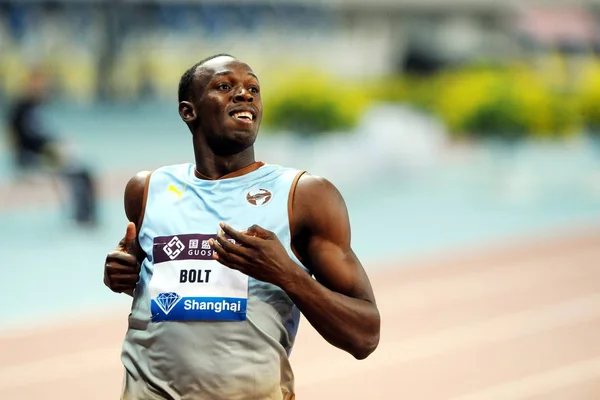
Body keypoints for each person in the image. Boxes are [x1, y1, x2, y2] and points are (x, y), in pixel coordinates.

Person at [103, 54, 381, 400]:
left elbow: (365, 336)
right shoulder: (148, 189)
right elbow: (159, 285)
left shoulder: (304, 196)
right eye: (224, 86)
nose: (245, 95)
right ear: (189, 111)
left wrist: (287, 274)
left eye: (253, 88)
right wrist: (125, 276)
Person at [5, 68, 98, 225]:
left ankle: (86, 215)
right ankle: (82, 216)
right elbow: (27, 139)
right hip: (33, 157)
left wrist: (59, 143)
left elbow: (41, 134)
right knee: (78, 174)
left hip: (46, 155)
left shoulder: (38, 105)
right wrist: (53, 147)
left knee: (84, 172)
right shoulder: (21, 108)